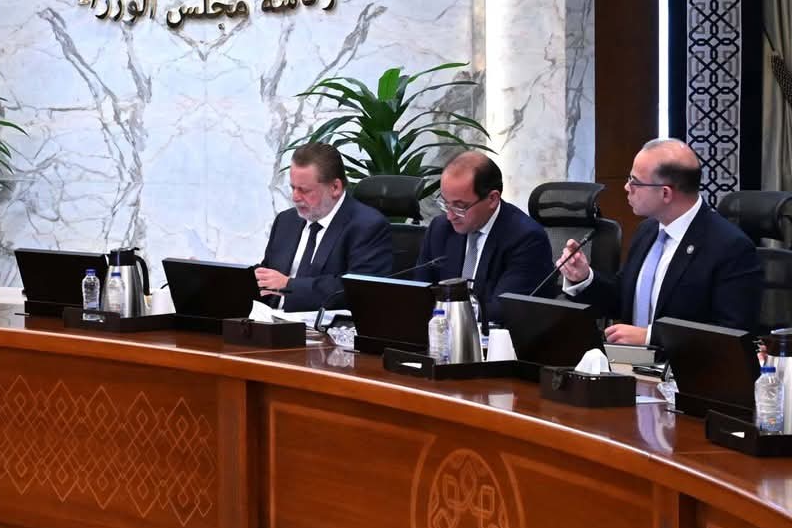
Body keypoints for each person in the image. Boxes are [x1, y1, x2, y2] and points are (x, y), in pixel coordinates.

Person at [556, 138, 761, 344]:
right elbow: (623, 298)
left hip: (682, 363)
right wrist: (584, 277)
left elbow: (732, 335)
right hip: (627, 361)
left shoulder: (730, 247)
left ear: (665, 193)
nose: (627, 187)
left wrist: (651, 337)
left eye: (635, 181)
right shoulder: (647, 230)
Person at [412, 151, 554, 318]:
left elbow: (502, 310)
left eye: (459, 206)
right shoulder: (440, 229)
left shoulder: (526, 239)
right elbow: (420, 295)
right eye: (445, 203)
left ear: (492, 199)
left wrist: (447, 313)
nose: (450, 216)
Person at [255, 142, 394, 311]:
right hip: (268, 321)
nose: (295, 197)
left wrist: (289, 285)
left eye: (304, 190)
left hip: (324, 324)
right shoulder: (286, 221)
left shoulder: (367, 227)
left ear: (335, 187)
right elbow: (268, 277)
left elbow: (358, 290)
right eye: (293, 188)